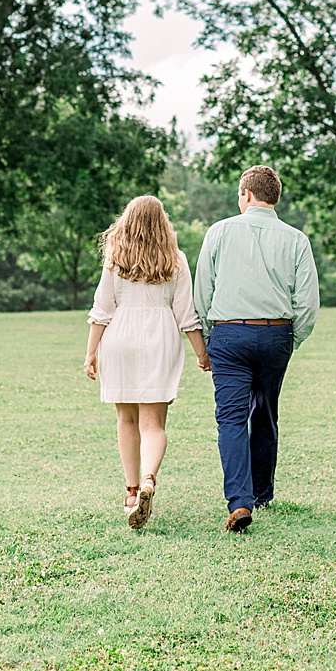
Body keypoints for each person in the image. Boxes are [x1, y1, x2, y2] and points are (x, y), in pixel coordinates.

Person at [192, 164, 319, 533]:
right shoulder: (296, 239)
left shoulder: (218, 232)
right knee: (265, 412)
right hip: (277, 334)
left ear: (246, 194)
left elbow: (202, 292)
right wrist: (292, 339)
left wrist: (206, 339)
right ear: (274, 197)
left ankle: (240, 501)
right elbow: (307, 302)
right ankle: (262, 493)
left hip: (229, 335)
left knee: (230, 418)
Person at [83, 195, 209, 530]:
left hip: (119, 338)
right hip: (160, 338)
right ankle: (149, 478)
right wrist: (201, 352)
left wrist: (91, 351)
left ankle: (131, 491)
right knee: (153, 424)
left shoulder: (115, 256)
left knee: (125, 419)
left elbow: (102, 308)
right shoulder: (176, 259)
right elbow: (186, 315)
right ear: (163, 222)